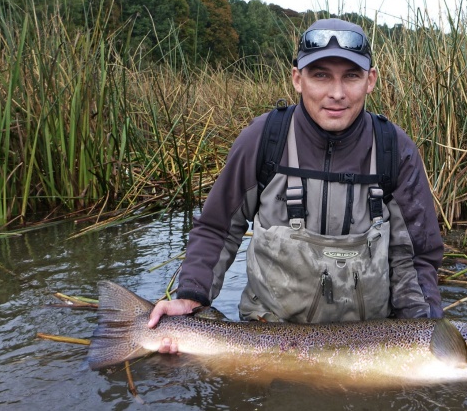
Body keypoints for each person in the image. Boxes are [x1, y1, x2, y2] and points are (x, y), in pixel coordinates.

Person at [148, 18, 443, 352]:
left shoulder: (395, 150)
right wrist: (190, 297)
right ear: (297, 79)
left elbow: (415, 258)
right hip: (265, 338)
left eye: (351, 76)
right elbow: (217, 229)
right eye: (320, 76)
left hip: (365, 345)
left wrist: (425, 335)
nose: (336, 93)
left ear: (370, 80)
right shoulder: (263, 140)